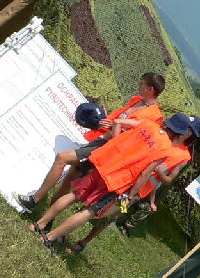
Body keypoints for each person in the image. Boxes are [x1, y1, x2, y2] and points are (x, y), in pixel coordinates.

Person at [30, 114, 190, 247]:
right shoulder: (166, 149)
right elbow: (145, 174)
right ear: (179, 133)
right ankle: (49, 238)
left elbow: (118, 122)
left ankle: (39, 224)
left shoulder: (148, 124)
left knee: (73, 195)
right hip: (118, 181)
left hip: (104, 164)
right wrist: (129, 196)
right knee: (89, 212)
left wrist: (114, 143)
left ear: (167, 123)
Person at [14, 72, 166, 211]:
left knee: (62, 158)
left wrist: (114, 127)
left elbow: (134, 141)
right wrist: (107, 119)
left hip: (109, 149)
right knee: (71, 176)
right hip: (103, 141)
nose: (139, 85)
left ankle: (34, 200)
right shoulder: (137, 100)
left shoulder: (154, 116)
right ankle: (47, 218)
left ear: (150, 89)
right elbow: (121, 119)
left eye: (142, 84)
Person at [64, 114, 200, 254]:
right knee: (90, 199)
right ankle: (65, 229)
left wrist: (159, 173)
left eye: (190, 129)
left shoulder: (185, 156)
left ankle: (84, 242)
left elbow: (168, 181)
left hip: (136, 192)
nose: (186, 130)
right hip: (123, 176)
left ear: (191, 134)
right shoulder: (161, 134)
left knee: (111, 215)